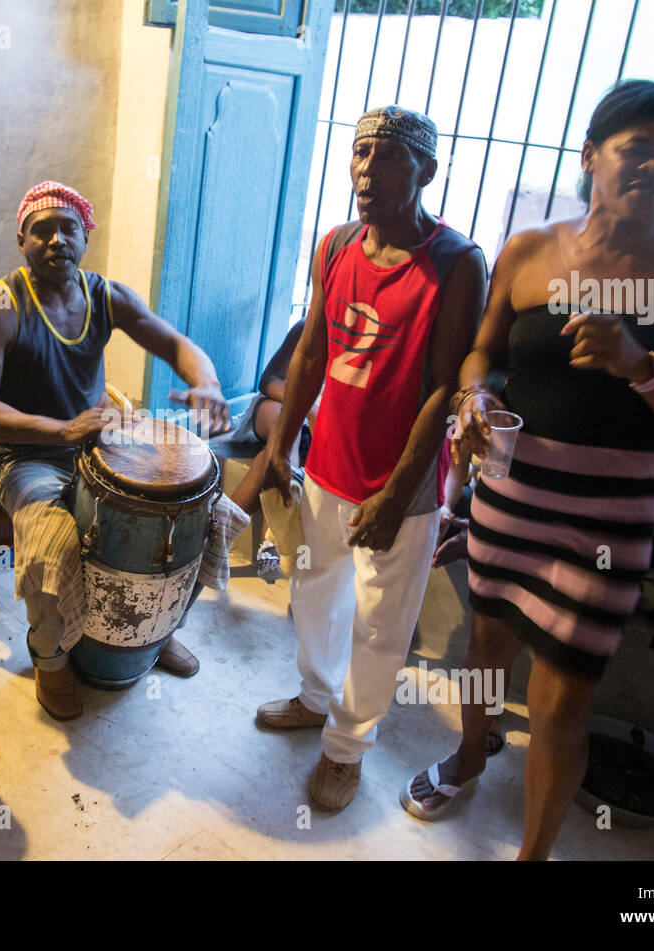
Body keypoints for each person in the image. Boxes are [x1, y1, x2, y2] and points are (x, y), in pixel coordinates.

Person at [403, 81, 654, 860]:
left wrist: (645, 369)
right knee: (486, 647)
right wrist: (471, 399)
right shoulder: (529, 251)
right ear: (592, 155)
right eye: (639, 150)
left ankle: (532, 854)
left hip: (606, 529)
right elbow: (483, 355)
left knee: (560, 701)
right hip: (507, 498)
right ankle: (468, 754)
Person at [255, 107, 488, 812]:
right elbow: (311, 352)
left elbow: (448, 385)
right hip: (326, 461)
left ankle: (346, 747)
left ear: (426, 171)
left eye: (387, 156)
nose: (366, 169)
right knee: (315, 587)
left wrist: (396, 494)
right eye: (359, 153)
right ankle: (315, 695)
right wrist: (280, 445)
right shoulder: (335, 246)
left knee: (382, 621)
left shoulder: (456, 262)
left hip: (403, 485)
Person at [0, 181, 244, 721]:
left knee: (208, 514)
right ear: (22, 241)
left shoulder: (106, 296)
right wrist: (62, 432)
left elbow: (176, 343)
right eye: (42, 230)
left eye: (69, 229)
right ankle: (51, 660)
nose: (57, 239)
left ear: (86, 238)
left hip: (104, 443)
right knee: (53, 542)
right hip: (29, 457)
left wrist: (208, 382)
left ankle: (156, 632)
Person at [224, 319, 320, 581]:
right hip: (280, 408)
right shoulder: (307, 326)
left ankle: (215, 533)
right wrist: (307, 406)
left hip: (314, 438)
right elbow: (268, 381)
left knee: (268, 458)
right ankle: (275, 537)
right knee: (286, 422)